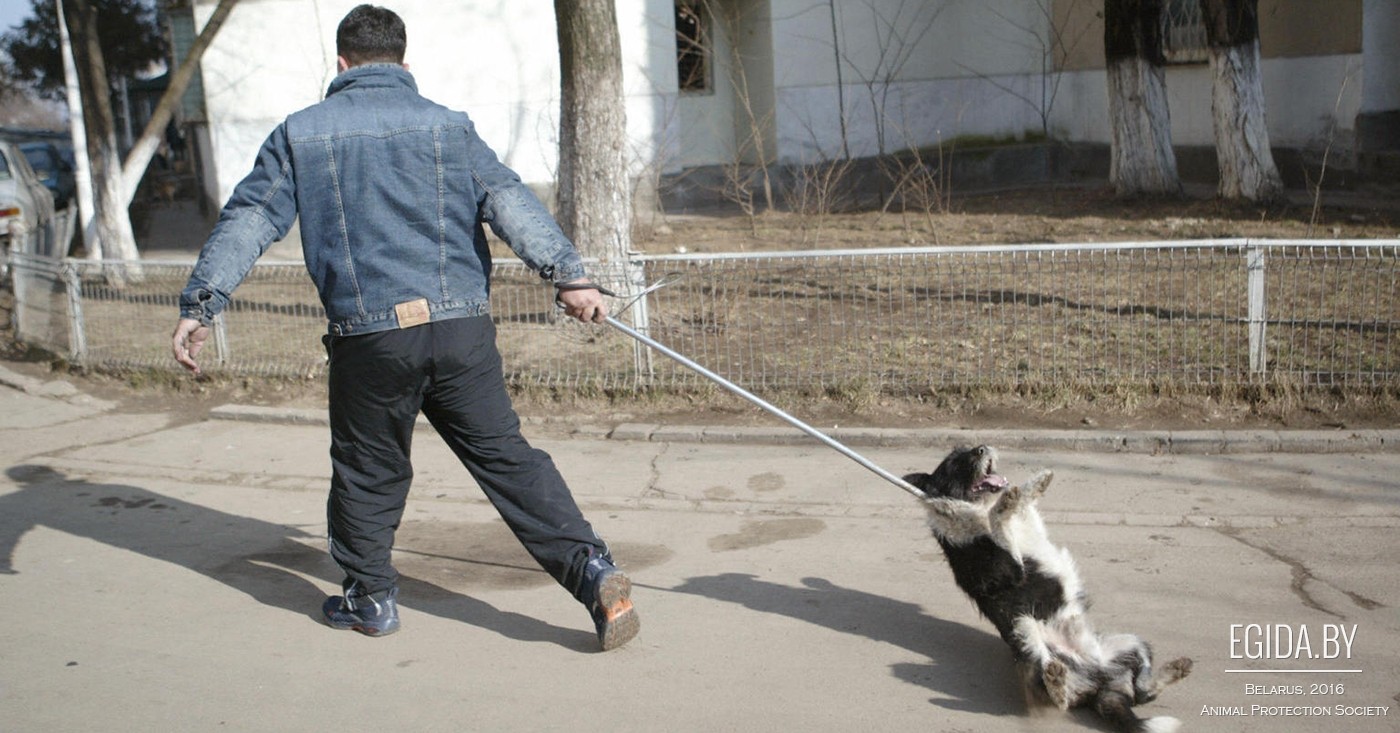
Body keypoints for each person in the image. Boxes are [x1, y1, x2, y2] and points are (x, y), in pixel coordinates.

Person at [170, 4, 638, 651]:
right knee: (509, 460)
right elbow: (509, 199)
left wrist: (200, 304)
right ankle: (594, 572)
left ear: (341, 64)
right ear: (404, 62)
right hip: (461, 331)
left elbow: (249, 221)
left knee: (369, 468)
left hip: (371, 338)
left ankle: (371, 599)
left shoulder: (301, 133)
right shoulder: (450, 127)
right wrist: (570, 275)